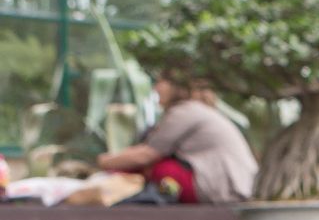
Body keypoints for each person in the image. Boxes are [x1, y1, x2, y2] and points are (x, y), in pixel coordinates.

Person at [99, 78, 258, 205]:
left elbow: (146, 155)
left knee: (159, 168)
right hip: (232, 188)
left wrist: (103, 162)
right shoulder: (195, 110)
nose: (155, 88)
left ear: (176, 86)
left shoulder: (186, 111)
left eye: (160, 82)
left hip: (222, 190)